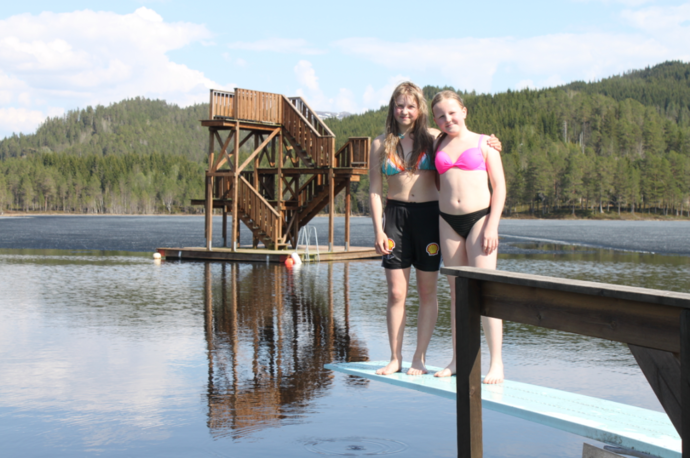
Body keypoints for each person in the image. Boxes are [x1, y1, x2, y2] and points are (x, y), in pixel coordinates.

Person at [369, 82, 501, 376]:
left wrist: (492, 142)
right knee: (395, 292)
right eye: (400, 105)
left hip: (430, 216)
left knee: (428, 290)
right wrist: (378, 229)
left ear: (420, 110)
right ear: (393, 108)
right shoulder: (380, 145)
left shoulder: (433, 139)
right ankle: (394, 357)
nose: (405, 111)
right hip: (395, 218)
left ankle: (419, 357)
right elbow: (375, 191)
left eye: (411, 106)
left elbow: (462, 136)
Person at [430, 90, 506, 384]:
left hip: (480, 219)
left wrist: (492, 226)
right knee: (457, 294)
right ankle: (458, 358)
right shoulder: (436, 142)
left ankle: (496, 362)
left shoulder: (485, 142)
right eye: (440, 116)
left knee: (485, 292)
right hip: (447, 222)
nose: (448, 119)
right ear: (435, 120)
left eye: (452, 112)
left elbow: (499, 187)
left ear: (464, 110)